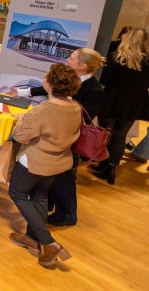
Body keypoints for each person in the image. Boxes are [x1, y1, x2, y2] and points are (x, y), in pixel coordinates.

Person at [8, 48, 106, 225]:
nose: (67, 59)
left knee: (64, 182)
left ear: (82, 65)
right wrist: (22, 93)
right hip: (56, 143)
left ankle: (67, 215)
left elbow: (79, 120)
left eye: (71, 58)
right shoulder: (68, 81)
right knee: (47, 186)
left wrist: (44, 117)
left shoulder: (94, 91)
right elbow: (49, 88)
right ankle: (44, 212)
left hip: (68, 144)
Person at [9, 64, 81, 269]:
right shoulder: (75, 107)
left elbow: (20, 136)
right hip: (57, 163)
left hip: (34, 162)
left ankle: (49, 243)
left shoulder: (43, 110)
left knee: (17, 194)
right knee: (40, 196)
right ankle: (32, 240)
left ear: (49, 84)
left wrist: (22, 120)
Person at [93, 28, 149, 184]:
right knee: (120, 136)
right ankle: (110, 169)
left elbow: (104, 80)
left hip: (112, 100)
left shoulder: (115, 57)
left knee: (107, 134)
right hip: (135, 104)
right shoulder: (147, 63)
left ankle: (103, 164)